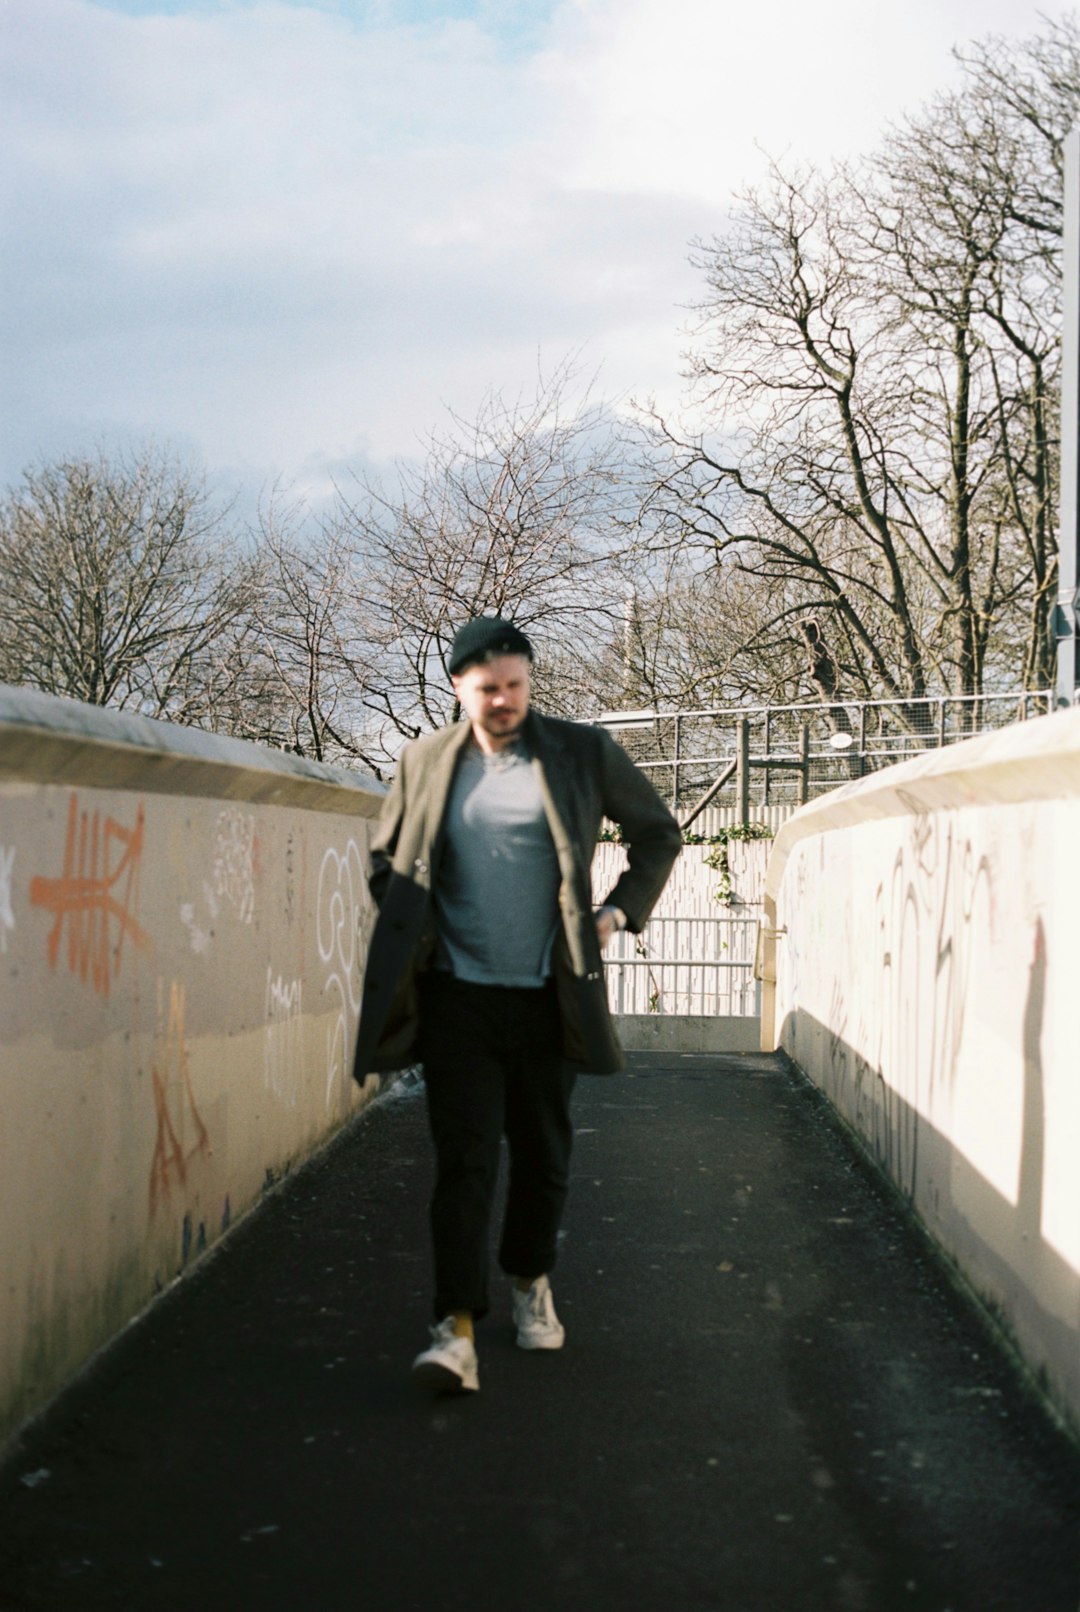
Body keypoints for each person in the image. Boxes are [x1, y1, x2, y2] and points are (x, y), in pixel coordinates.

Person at [352, 616, 681, 1394]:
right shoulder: (426, 760)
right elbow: (384, 858)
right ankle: (455, 1327)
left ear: (530, 683)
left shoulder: (579, 752)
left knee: (542, 1157)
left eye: (516, 686)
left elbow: (657, 835)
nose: (503, 700)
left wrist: (617, 913)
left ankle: (531, 1282)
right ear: (459, 688)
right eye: (487, 688)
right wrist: (418, 929)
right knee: (463, 1164)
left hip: (547, 997)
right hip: (457, 999)